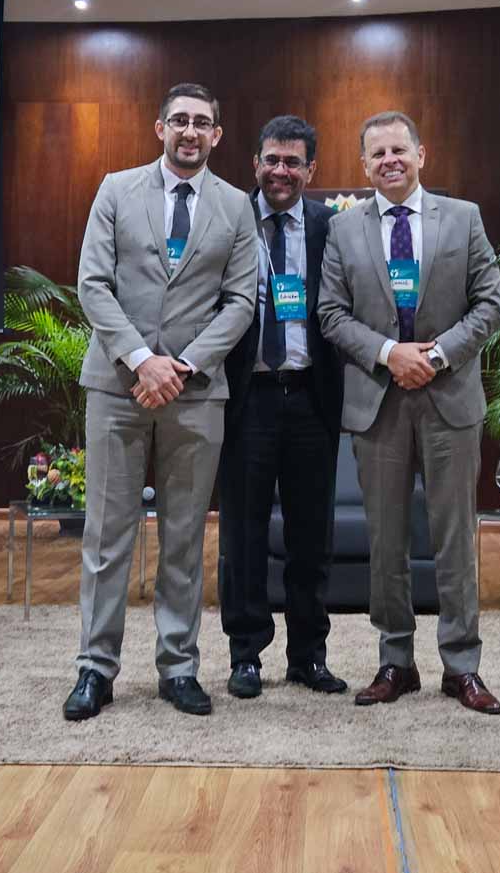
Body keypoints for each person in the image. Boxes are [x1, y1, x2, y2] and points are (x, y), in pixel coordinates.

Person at [64, 83, 259, 721]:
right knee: (106, 535)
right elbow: (93, 284)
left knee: (184, 536)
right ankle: (95, 668)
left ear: (217, 135)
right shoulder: (116, 190)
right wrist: (141, 360)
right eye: (179, 120)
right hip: (118, 387)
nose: (190, 131)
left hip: (195, 393)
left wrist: (184, 364)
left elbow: (241, 302)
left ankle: (178, 667)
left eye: (202, 122)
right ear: (160, 128)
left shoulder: (236, 206)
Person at [318, 110, 500, 714]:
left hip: (450, 400)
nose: (389, 161)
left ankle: (462, 666)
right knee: (387, 543)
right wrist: (389, 353)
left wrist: (437, 355)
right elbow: (330, 314)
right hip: (380, 403)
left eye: (399, 149)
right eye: (377, 154)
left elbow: (489, 303)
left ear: (422, 155)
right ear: (363, 165)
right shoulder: (343, 229)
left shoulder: (464, 217)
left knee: (455, 539)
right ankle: (395, 661)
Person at [215, 116, 348, 700]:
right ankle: (245, 654)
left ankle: (308, 656)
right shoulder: (229, 219)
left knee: (311, 536)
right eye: (272, 159)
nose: (281, 171)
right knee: (242, 535)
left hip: (311, 397)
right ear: (255, 163)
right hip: (248, 397)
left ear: (310, 170)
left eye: (293, 162)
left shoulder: (330, 227)